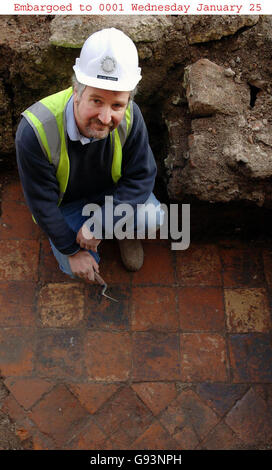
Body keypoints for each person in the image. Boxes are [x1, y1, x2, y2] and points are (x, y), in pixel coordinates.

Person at [15, 28, 164, 283]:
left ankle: (122, 231)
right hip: (66, 207)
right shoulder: (35, 131)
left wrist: (104, 223)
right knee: (75, 266)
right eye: (96, 101)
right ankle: (82, 242)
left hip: (111, 196)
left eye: (117, 104)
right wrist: (71, 250)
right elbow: (42, 205)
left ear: (127, 101)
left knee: (153, 218)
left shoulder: (131, 116)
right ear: (76, 91)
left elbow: (141, 176)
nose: (106, 118)